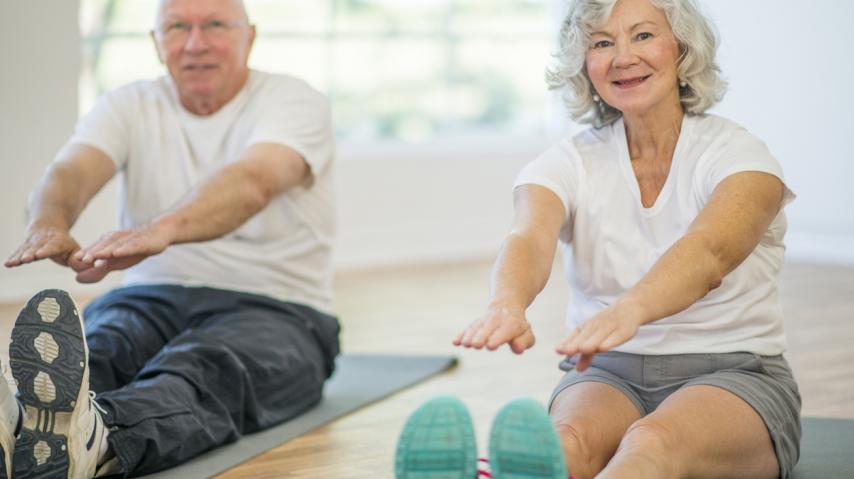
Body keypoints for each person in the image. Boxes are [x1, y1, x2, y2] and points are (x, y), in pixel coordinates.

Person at [453, 0, 801, 478]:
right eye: (602, 43)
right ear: (583, 64)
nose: (622, 57)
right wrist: (505, 304)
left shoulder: (740, 156)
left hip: (734, 372)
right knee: (563, 446)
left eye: (642, 35)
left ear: (681, 48)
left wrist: (628, 310)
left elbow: (708, 254)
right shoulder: (567, 161)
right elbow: (529, 237)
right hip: (607, 372)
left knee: (651, 443)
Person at [2, 0, 340, 477]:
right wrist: (48, 223)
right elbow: (72, 170)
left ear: (250, 36)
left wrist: (159, 230)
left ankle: (98, 437)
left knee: (199, 367)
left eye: (216, 25)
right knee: (103, 346)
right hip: (149, 296)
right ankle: (21, 422)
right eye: (178, 27)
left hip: (278, 308)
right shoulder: (128, 103)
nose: (196, 42)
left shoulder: (292, 100)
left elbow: (254, 180)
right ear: (157, 43)